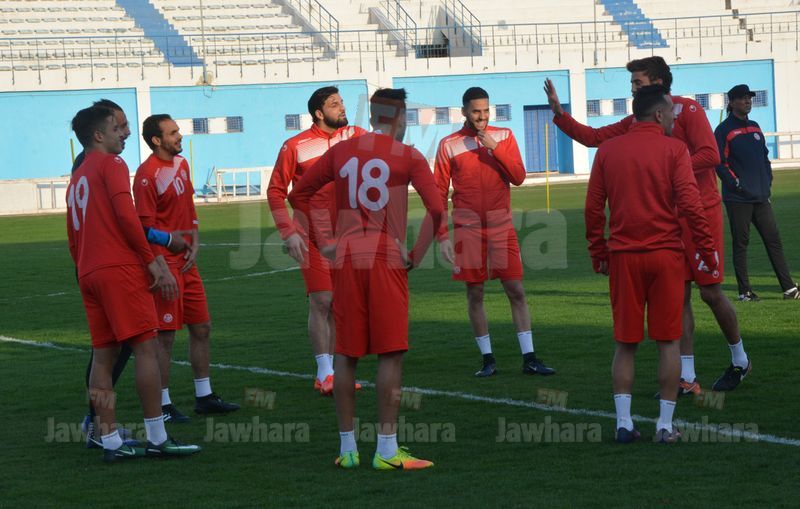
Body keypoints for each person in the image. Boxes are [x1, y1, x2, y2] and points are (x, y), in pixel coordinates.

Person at [544, 56, 751, 393]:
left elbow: (711, 155)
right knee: (679, 297)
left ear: (658, 82)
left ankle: (740, 359)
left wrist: (671, 166)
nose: (632, 88)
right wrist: (559, 115)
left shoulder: (688, 110)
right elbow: (594, 137)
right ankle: (687, 377)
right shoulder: (637, 120)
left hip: (700, 213)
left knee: (711, 293)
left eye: (637, 82)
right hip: (669, 221)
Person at [289, 88, 443, 470]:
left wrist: (324, 242)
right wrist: (416, 254)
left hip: (345, 258)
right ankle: (386, 451)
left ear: (372, 117)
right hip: (385, 257)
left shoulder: (341, 152)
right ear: (400, 117)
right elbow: (438, 209)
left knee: (346, 354)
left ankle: (348, 450)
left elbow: (299, 195)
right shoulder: (408, 155)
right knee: (390, 352)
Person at [585, 85, 719, 443]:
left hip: (624, 258)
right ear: (658, 114)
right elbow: (691, 206)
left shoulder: (608, 150)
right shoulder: (675, 149)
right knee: (668, 342)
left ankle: (623, 423)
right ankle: (664, 425)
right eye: (671, 111)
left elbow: (593, 208)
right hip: (665, 257)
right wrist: (707, 251)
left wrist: (598, 252)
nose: (675, 117)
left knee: (625, 343)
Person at [67, 105, 200, 461]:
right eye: (117, 128)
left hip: (89, 271)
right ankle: (157, 437)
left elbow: (72, 235)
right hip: (118, 269)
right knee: (145, 348)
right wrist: (151, 260)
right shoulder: (112, 164)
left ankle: (109, 440)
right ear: (99, 135)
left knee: (103, 358)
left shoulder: (77, 177)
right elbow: (127, 218)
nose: (124, 134)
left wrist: (84, 270)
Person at [433, 86, 555, 378]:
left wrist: (495, 149)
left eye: (486, 111)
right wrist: (442, 236)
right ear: (464, 112)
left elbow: (519, 177)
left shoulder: (504, 136)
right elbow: (438, 192)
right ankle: (488, 359)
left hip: (501, 227)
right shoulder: (449, 144)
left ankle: (530, 358)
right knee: (475, 292)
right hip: (468, 230)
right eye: (476, 111)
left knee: (516, 290)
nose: (482, 116)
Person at [134, 114, 240, 423]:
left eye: (178, 131)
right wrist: (160, 267)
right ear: (157, 140)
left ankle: (204, 396)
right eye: (173, 132)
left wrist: (195, 239)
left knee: (202, 327)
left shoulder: (181, 165)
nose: (180, 136)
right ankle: (163, 405)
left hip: (187, 261)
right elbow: (144, 228)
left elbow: (188, 208)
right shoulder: (147, 175)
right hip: (165, 264)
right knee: (165, 337)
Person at [267, 86, 367, 395]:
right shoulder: (295, 146)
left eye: (342, 102)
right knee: (322, 300)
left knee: (340, 304)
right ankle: (324, 373)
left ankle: (334, 371)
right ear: (319, 113)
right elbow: (275, 191)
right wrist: (288, 232)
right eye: (334, 104)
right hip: (312, 233)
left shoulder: (356, 136)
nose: (342, 107)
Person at [714, 84, 799, 301]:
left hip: (761, 197)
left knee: (774, 241)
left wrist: (767, 181)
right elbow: (720, 163)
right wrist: (736, 184)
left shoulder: (755, 127)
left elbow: (764, 157)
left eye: (749, 98)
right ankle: (745, 292)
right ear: (732, 102)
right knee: (741, 244)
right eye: (743, 98)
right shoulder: (723, 130)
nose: (747, 101)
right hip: (738, 198)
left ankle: (789, 289)